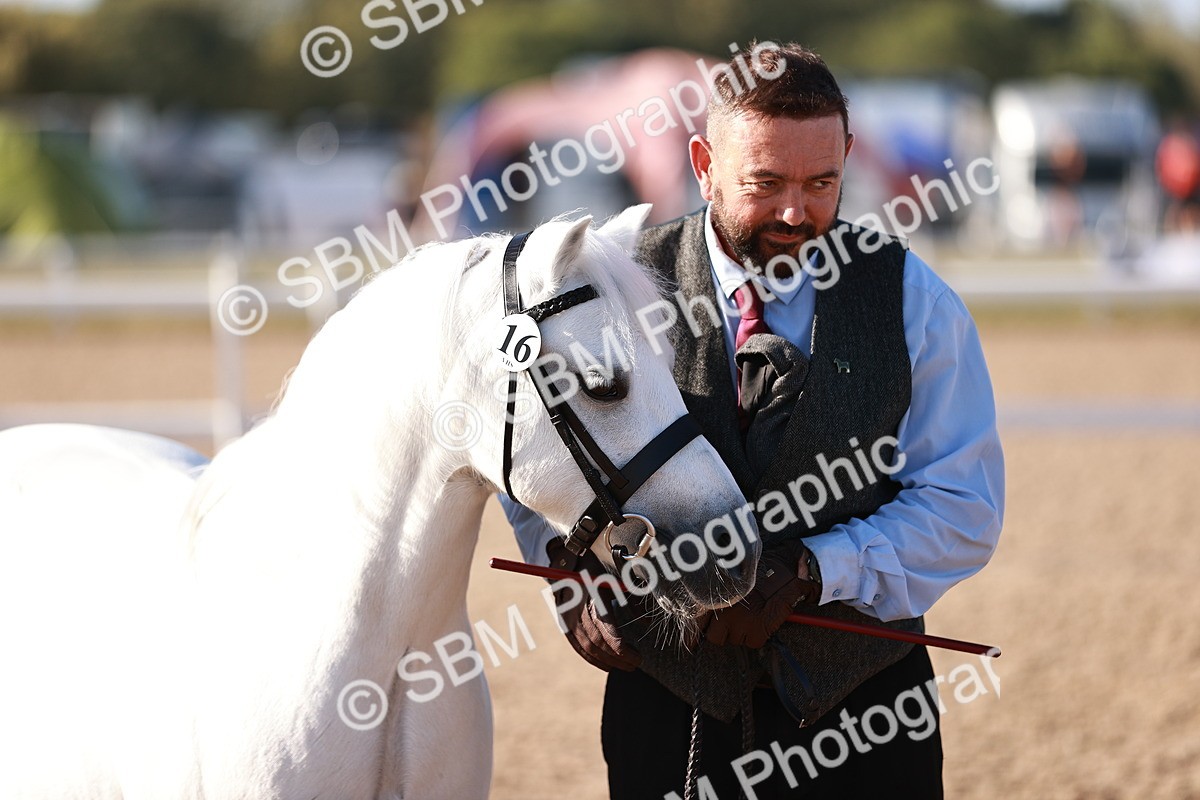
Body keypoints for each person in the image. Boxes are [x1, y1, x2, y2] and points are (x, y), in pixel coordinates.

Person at [503, 42, 1003, 798]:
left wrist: (810, 571)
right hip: (666, 710)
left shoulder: (915, 303)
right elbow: (529, 442)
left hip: (867, 716)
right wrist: (564, 573)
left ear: (849, 158)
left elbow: (963, 507)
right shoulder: (612, 281)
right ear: (703, 164)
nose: (796, 213)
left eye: (822, 182)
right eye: (764, 183)